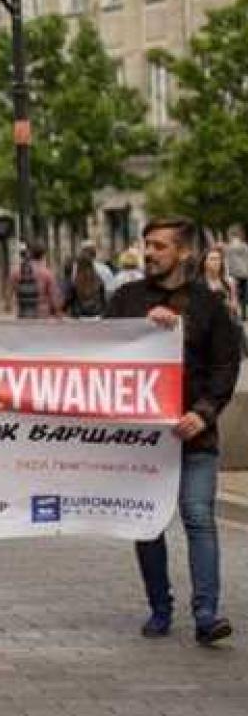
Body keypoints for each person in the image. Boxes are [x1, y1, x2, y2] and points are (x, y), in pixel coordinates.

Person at [106, 216, 241, 646]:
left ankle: (207, 613)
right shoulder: (127, 299)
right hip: (143, 440)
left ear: (184, 253)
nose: (150, 253)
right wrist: (143, 328)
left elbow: (226, 365)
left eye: (160, 246)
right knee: (148, 524)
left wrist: (204, 413)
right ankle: (159, 608)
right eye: (147, 245)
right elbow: (97, 349)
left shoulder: (208, 305)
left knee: (199, 516)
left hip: (195, 433)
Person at [8, 243, 62, 318]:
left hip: (23, 315)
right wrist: (58, 314)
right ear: (43, 255)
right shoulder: (47, 274)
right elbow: (54, 298)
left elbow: (9, 295)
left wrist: (9, 306)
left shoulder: (16, 272)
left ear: (30, 253)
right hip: (42, 315)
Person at [63, 254, 107, 319]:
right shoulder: (99, 281)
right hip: (97, 317)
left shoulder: (75, 283)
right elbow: (104, 303)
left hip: (79, 318)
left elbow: (67, 302)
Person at [200, 247, 241, 317]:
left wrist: (229, 304)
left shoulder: (228, 283)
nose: (216, 262)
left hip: (225, 323)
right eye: (212, 259)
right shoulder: (198, 283)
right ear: (205, 262)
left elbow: (235, 307)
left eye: (218, 259)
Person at [225, 227, 248, 320]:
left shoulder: (228, 247)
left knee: (234, 294)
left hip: (234, 274)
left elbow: (227, 261)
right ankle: (243, 314)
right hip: (245, 273)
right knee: (244, 295)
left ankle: (234, 313)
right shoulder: (245, 246)